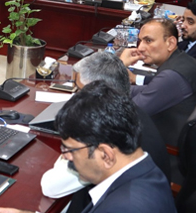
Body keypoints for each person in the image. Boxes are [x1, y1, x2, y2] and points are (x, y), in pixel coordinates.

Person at [0, 81, 176, 213]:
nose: (65, 157)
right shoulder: (144, 171)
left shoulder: (124, 207)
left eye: (69, 150)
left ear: (106, 155)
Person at [40, 52, 170, 213]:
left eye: (69, 150)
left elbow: (51, 186)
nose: (75, 98)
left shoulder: (123, 207)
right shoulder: (131, 118)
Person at [120, 18, 196, 147]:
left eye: (148, 41)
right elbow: (146, 90)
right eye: (140, 41)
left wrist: (119, 67)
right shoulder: (181, 60)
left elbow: (125, 115)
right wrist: (112, 88)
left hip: (169, 150)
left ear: (170, 43)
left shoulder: (172, 77)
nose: (140, 48)